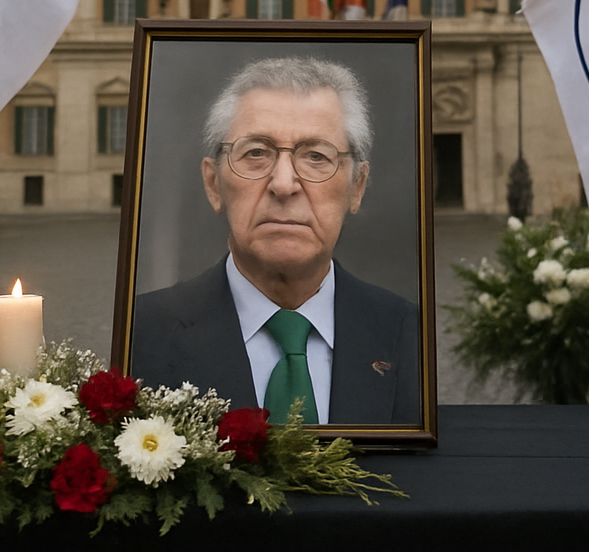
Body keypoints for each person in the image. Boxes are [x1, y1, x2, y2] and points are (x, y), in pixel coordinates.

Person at [131, 56, 420, 426]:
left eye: (316, 156)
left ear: (357, 187)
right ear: (213, 184)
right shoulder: (140, 335)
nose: (284, 184)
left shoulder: (410, 334)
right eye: (256, 153)